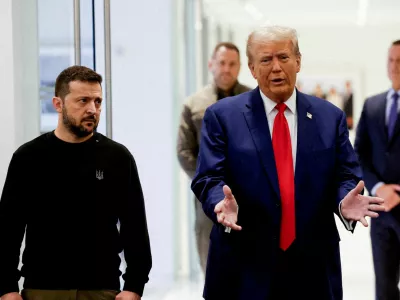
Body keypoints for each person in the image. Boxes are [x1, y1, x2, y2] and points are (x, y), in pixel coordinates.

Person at [191, 25, 385, 300]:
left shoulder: (329, 117)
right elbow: (208, 176)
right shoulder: (222, 116)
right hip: (244, 264)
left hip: (312, 268)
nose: (276, 68)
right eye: (266, 60)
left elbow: (345, 175)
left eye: (283, 57)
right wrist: (219, 203)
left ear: (298, 61)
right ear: (252, 67)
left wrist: (343, 201)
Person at [0, 66, 152, 300]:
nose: (93, 109)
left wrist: (134, 286)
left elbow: (135, 227)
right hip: (42, 289)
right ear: (58, 104)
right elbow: (8, 230)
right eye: (83, 101)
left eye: (98, 101)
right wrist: (6, 288)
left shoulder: (117, 158)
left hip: (101, 289)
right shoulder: (28, 157)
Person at [177, 42, 250, 273]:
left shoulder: (255, 100)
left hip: (250, 195)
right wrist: (208, 184)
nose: (226, 69)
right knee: (210, 259)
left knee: (251, 262)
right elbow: (184, 152)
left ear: (240, 67)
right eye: (221, 63)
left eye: (232, 64)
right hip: (208, 198)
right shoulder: (194, 104)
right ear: (211, 64)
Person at [354, 39, 400, 300]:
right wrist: (379, 187)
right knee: (384, 286)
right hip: (381, 211)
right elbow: (359, 153)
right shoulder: (372, 105)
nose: (395, 66)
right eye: (391, 60)